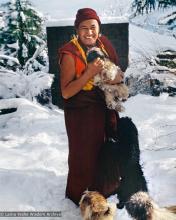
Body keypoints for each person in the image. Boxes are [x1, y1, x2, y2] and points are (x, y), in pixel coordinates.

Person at [58, 8, 124, 205]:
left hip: (103, 107)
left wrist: (117, 78)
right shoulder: (70, 53)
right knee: (85, 155)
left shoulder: (105, 45)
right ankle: (82, 195)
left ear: (99, 28)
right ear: (77, 30)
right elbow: (66, 92)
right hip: (81, 114)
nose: (89, 32)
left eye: (92, 27)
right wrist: (88, 73)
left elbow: (117, 73)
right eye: (83, 28)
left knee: (106, 150)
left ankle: (106, 189)